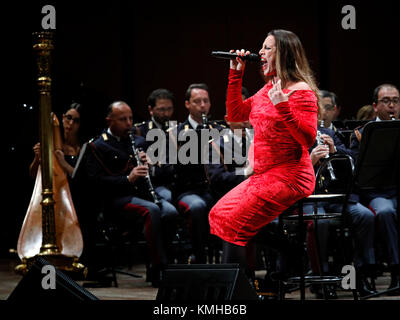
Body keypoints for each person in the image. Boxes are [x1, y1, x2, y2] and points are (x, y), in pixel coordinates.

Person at [209, 29, 319, 281]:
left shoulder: (301, 92)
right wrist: (236, 74)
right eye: (262, 47)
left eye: (267, 48)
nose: (260, 52)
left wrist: (283, 106)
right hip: (265, 174)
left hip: (291, 174)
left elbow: (307, 138)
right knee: (218, 215)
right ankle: (290, 250)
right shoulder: (269, 88)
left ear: (285, 54)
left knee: (232, 221)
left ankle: (235, 290)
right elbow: (236, 116)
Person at [85, 101, 179, 287]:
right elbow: (96, 182)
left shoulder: (138, 142)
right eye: (123, 119)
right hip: (117, 200)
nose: (129, 123)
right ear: (109, 121)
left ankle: (161, 262)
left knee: (170, 212)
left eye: (130, 118)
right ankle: (160, 267)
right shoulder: (98, 146)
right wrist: (128, 179)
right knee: (151, 210)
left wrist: (148, 165)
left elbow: (149, 174)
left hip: (142, 195)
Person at [348, 83, 400, 296]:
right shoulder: (362, 133)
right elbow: (357, 171)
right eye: (386, 101)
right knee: (386, 211)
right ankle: (396, 271)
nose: (392, 106)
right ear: (375, 106)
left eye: (395, 101)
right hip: (377, 193)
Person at [175, 83, 221, 264]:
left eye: (206, 101)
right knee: (197, 207)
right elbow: (175, 169)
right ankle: (198, 257)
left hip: (214, 189)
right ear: (187, 104)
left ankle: (230, 262)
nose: (202, 105)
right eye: (197, 101)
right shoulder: (176, 132)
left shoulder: (217, 130)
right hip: (188, 190)